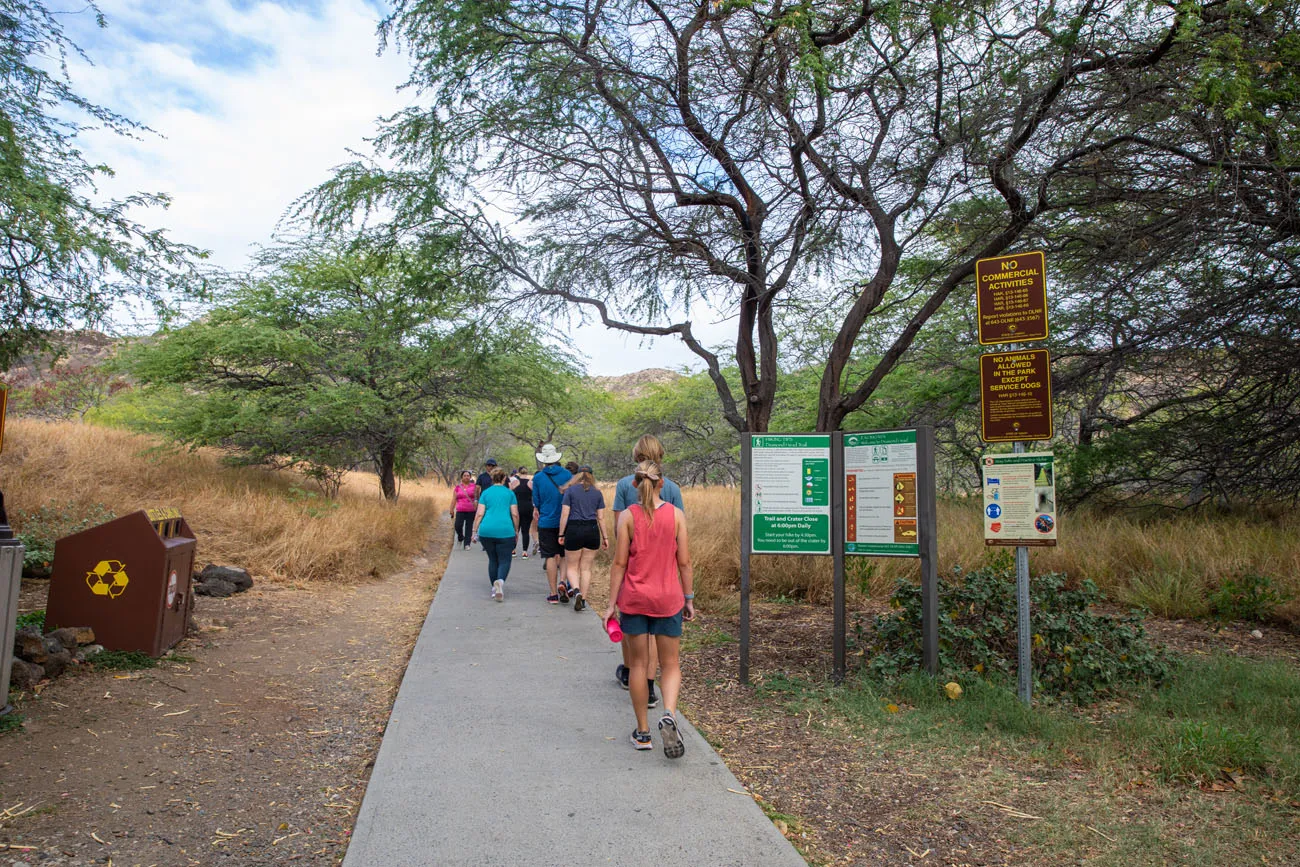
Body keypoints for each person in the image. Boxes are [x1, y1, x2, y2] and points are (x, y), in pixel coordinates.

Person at [602, 461, 694, 758]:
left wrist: (610, 604)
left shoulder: (628, 516)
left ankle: (642, 732)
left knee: (639, 665)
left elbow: (619, 564)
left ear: (634, 484)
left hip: (635, 599)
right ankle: (668, 713)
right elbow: (684, 562)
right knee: (670, 664)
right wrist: (689, 598)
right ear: (661, 483)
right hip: (668, 599)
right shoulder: (676, 515)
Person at [611, 435, 685, 703]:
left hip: (632, 570)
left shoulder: (623, 485)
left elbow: (619, 531)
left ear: (636, 456)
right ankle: (651, 686)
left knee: (632, 626)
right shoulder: (672, 488)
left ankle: (632, 674)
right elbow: (680, 536)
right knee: (658, 634)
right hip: (664, 576)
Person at [557, 466, 607, 612]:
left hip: (574, 528)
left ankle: (576, 590)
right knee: (586, 568)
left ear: (577, 475)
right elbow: (601, 517)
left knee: (572, 566)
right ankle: (583, 599)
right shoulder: (597, 493)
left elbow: (565, 514)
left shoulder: (570, 491)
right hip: (592, 530)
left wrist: (561, 534)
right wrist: (605, 537)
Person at [530, 443, 572, 603]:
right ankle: (563, 582)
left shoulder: (539, 477)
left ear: (543, 460)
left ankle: (553, 593)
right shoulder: (567, 474)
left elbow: (537, 501)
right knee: (564, 554)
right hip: (565, 521)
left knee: (549, 556)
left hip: (546, 521)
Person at [472, 467, 519, 602]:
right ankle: (500, 582)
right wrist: (516, 530)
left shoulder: (486, 493)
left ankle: (494, 588)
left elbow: (479, 513)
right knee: (505, 560)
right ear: (505, 479)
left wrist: (474, 531)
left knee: (493, 559)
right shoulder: (509, 494)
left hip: (487, 530)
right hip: (505, 530)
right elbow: (515, 514)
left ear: (491, 478)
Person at [450, 470, 478, 550]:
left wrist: (477, 504)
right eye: (464, 475)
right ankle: (461, 537)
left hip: (471, 510)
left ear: (470, 477)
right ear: (461, 477)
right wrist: (451, 509)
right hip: (460, 509)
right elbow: (454, 499)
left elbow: (477, 497)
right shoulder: (458, 487)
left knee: (469, 527)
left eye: (468, 475)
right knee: (457, 526)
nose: (466, 477)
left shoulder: (474, 486)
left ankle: (467, 544)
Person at [513, 467, 535, 559]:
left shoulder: (515, 483)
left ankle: (513, 550)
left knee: (515, 529)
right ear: (527, 473)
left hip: (516, 507)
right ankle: (524, 551)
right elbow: (535, 495)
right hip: (528, 507)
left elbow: (510, 493)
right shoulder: (530, 483)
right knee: (525, 530)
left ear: (518, 473)